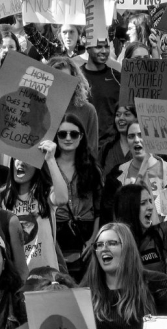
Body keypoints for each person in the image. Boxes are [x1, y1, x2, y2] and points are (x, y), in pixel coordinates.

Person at [82, 223, 167, 329]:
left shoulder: (155, 284)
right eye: (99, 245)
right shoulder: (87, 292)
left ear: (127, 249)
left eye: (112, 243)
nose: (104, 249)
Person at [2, 138, 68, 270]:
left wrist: (50, 159)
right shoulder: (3, 197)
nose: (20, 163)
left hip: (46, 275)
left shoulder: (45, 194)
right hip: (17, 277)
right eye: (16, 158)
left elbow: (62, 198)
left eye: (28, 159)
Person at [54, 114, 102, 282]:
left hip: (86, 234)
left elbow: (98, 208)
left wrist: (93, 239)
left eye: (73, 134)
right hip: (57, 232)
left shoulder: (91, 167)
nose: (68, 138)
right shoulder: (48, 166)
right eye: (62, 134)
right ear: (56, 136)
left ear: (81, 136)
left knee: (87, 287)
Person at [47, 56, 99, 159]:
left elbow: (92, 152)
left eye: (66, 79)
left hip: (78, 171)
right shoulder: (39, 108)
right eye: (56, 78)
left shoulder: (88, 110)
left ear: (75, 81)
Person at [81, 39, 120, 152]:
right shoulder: (76, 77)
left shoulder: (117, 77)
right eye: (98, 47)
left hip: (111, 149)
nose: (104, 51)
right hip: (83, 148)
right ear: (88, 48)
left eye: (107, 47)